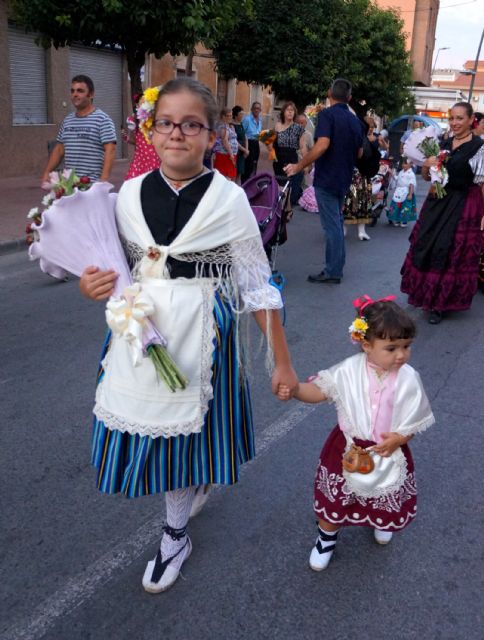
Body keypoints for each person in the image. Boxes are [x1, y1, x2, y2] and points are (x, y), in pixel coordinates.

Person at [78, 77, 298, 594]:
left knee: (186, 436)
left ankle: (175, 534)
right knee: (158, 430)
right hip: (141, 332)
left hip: (203, 335)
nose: (178, 133)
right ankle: (186, 497)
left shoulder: (227, 200)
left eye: (192, 124)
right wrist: (92, 285)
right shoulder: (127, 195)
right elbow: (112, 267)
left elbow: (256, 287)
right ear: (150, 132)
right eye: (167, 123)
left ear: (213, 134)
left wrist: (281, 362)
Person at [277, 296, 435, 571]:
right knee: (335, 496)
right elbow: (320, 390)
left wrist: (401, 438)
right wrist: (296, 390)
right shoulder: (348, 371)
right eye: (391, 348)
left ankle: (381, 521)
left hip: (387, 449)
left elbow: (414, 418)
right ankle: (326, 538)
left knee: (384, 494)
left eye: (406, 346)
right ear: (366, 345)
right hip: (347, 448)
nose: (401, 354)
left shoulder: (409, 377)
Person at [400, 101, 484, 325]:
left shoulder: (479, 147)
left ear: (470, 120)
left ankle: (440, 303)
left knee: (448, 249)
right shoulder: (443, 143)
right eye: (452, 118)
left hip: (464, 202)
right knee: (426, 243)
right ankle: (423, 294)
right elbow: (428, 178)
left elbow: (483, 184)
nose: (455, 123)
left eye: (460, 118)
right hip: (437, 201)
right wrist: (427, 164)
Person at [285, 78, 364, 283]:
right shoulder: (355, 121)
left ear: (329, 93)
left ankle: (333, 271)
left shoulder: (327, 115)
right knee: (336, 222)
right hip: (344, 177)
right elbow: (360, 152)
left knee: (332, 226)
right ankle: (336, 267)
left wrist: (299, 165)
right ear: (349, 98)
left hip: (327, 177)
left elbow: (322, 145)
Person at [41, 75, 117, 183]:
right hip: (69, 185)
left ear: (91, 94)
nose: (74, 94)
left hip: (92, 185)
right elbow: (59, 150)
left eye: (80, 91)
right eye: (72, 91)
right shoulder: (67, 121)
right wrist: (47, 172)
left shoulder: (102, 119)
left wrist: (103, 180)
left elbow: (111, 150)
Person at [271, 101, 307, 206]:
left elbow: (303, 146)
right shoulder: (277, 126)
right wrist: (271, 152)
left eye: (292, 110)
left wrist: (306, 163)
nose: (290, 112)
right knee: (279, 186)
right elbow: (269, 141)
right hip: (278, 160)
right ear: (283, 112)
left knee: (288, 187)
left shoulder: (298, 128)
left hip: (291, 159)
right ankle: (280, 210)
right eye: (288, 110)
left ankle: (285, 210)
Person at [123, 90, 161, 180]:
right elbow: (134, 141)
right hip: (141, 160)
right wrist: (127, 138)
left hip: (156, 159)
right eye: (142, 103)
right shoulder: (134, 120)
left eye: (146, 102)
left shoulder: (156, 119)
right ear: (137, 106)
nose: (144, 105)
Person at [387, 157, 417, 227]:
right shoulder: (401, 172)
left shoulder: (411, 174)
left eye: (405, 164)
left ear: (410, 164)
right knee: (397, 206)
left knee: (405, 207)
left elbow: (412, 184)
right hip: (399, 191)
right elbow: (397, 178)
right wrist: (391, 173)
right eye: (403, 163)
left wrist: (410, 194)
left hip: (406, 191)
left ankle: (404, 221)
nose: (403, 165)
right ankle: (397, 219)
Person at [213, 107, 239, 180]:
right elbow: (224, 141)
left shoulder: (227, 125)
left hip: (227, 155)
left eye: (231, 115)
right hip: (225, 155)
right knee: (226, 178)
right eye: (228, 116)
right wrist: (231, 154)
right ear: (223, 116)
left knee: (227, 178)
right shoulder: (223, 126)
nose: (230, 117)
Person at [241, 101, 263, 183]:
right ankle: (244, 185)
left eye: (258, 108)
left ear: (260, 110)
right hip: (248, 143)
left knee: (254, 165)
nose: (257, 110)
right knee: (247, 167)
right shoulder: (247, 119)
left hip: (256, 144)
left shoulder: (260, 120)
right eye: (255, 108)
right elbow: (242, 133)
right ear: (251, 109)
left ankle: (251, 184)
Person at [232, 105, 249, 183]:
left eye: (243, 114)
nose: (242, 116)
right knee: (234, 173)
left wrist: (247, 149)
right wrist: (244, 150)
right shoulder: (232, 126)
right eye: (241, 114)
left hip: (242, 152)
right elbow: (234, 141)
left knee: (240, 173)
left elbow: (245, 137)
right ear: (235, 115)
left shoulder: (241, 124)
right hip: (236, 151)